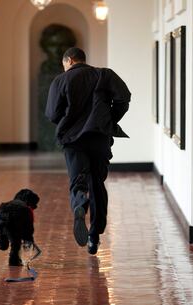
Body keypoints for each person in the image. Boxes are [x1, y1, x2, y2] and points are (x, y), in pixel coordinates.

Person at [45, 47, 131, 255]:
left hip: (73, 140)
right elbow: (124, 98)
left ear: (70, 61)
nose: (64, 68)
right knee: (97, 183)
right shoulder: (104, 74)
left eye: (64, 64)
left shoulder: (61, 80)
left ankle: (79, 205)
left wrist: (68, 122)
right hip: (99, 137)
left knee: (78, 180)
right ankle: (94, 236)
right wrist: (108, 119)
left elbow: (52, 113)